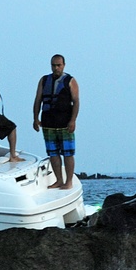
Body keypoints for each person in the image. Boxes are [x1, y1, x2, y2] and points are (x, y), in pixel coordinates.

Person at [33, 54, 80, 189]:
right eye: (53, 65)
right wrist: (35, 118)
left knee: (68, 153)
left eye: (58, 65)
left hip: (65, 123)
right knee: (53, 153)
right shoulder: (44, 80)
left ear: (63, 65)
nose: (56, 68)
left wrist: (73, 120)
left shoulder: (70, 80)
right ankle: (59, 180)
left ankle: (68, 182)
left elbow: (76, 101)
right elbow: (38, 100)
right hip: (48, 122)